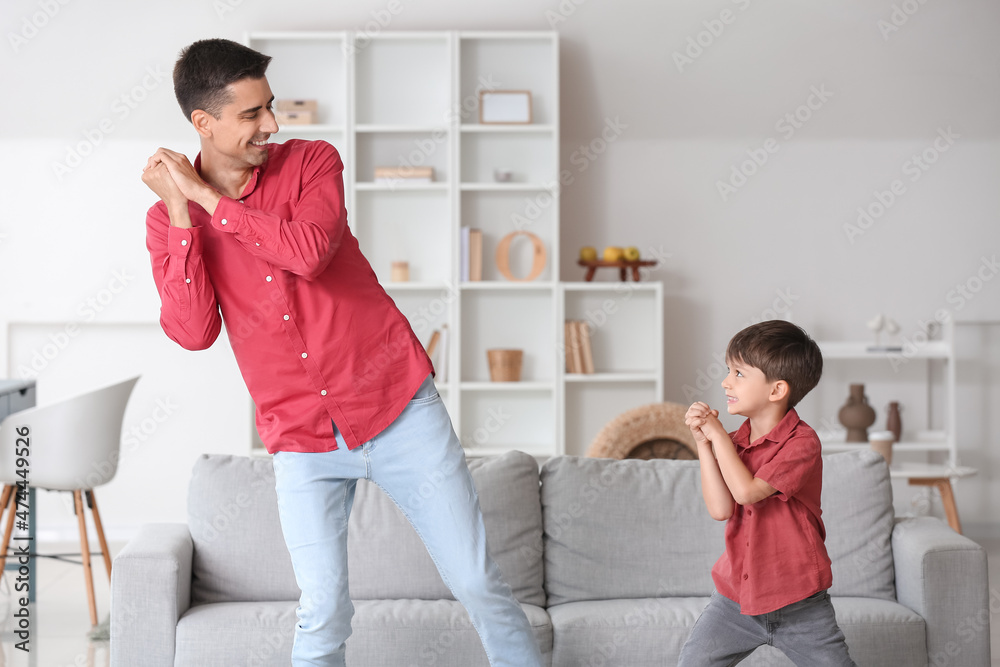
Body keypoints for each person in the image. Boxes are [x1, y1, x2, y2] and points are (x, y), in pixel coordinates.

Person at [141, 38, 543, 667]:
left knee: (477, 583)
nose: (271, 124)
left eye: (269, 107)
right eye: (252, 114)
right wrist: (180, 209)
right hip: (300, 436)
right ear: (203, 122)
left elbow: (305, 253)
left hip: (398, 407)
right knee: (322, 607)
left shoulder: (311, 163)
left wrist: (208, 200)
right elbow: (193, 332)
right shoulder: (168, 221)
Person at [678, 320, 855, 666]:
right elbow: (721, 509)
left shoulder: (802, 443)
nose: (726, 382)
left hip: (800, 603)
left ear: (776, 391)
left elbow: (748, 492)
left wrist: (716, 437)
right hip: (734, 600)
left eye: (739, 374)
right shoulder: (732, 444)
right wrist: (704, 443)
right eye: (728, 371)